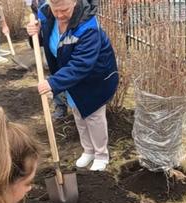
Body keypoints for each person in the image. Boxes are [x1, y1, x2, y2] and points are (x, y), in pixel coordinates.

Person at [27, 0, 118, 171]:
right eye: (56, 10)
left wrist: (53, 83)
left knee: (93, 115)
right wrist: (35, 33)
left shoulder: (88, 27)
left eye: (65, 10)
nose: (60, 15)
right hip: (69, 76)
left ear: (75, 2)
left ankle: (101, 154)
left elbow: (81, 64)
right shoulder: (46, 13)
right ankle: (88, 150)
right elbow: (44, 39)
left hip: (94, 77)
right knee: (77, 112)